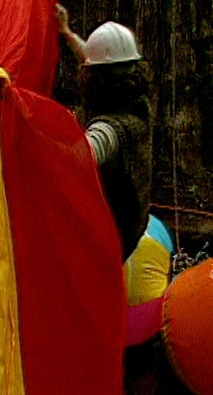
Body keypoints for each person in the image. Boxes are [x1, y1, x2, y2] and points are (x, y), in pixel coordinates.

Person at [56, 4, 153, 261]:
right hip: (133, 224)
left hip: (110, 240)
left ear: (95, 79)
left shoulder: (110, 129)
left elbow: (76, 158)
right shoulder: (138, 100)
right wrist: (67, 32)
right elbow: (98, 61)